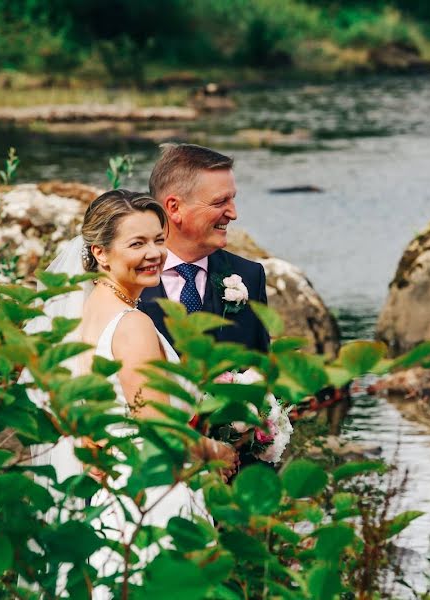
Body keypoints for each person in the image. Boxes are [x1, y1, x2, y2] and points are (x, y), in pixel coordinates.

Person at [28, 190, 238, 597]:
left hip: (109, 492)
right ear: (100, 253)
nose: (154, 253)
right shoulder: (132, 324)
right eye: (137, 243)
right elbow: (158, 430)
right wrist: (216, 451)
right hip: (148, 493)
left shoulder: (85, 314)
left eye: (159, 240)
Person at [142, 143, 270, 353]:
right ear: (175, 208)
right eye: (220, 202)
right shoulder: (126, 278)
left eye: (232, 200)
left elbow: (261, 367)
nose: (233, 214)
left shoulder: (250, 276)